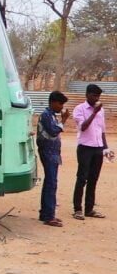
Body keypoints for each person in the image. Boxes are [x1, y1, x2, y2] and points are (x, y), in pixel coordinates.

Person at [72, 84, 114, 220]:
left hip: (98, 148)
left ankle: (89, 209)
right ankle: (77, 209)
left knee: (93, 179)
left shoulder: (101, 111)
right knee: (81, 178)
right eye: (94, 95)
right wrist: (94, 112)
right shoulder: (80, 109)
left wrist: (106, 148)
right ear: (87, 94)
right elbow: (83, 127)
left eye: (98, 96)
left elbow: (102, 131)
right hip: (85, 148)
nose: (97, 98)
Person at [37, 91, 68, 227]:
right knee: (51, 183)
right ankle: (49, 216)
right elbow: (53, 131)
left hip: (52, 152)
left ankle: (45, 213)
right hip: (48, 152)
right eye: (60, 104)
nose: (61, 107)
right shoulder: (46, 115)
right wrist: (64, 121)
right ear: (53, 102)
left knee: (50, 182)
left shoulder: (51, 116)